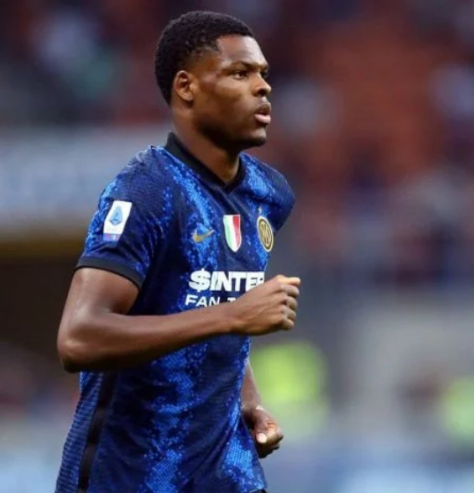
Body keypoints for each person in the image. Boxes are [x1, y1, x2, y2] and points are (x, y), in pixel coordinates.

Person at [54, 11, 298, 493]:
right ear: (186, 87)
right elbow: (78, 339)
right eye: (240, 73)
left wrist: (248, 400)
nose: (263, 87)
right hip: (130, 478)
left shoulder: (269, 194)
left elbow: (217, 311)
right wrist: (233, 316)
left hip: (229, 475)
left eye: (263, 74)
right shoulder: (146, 192)